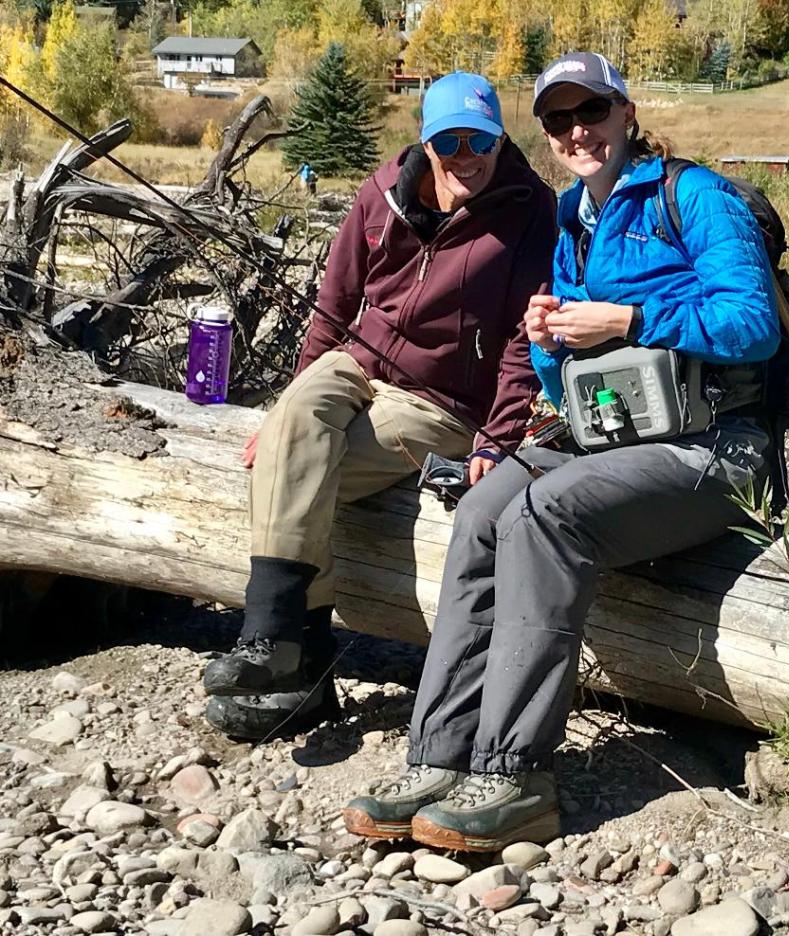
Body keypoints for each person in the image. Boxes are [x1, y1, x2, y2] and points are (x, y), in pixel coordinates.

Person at [343, 51, 781, 850]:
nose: (577, 131)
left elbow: (753, 325)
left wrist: (630, 321)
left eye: (592, 112)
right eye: (557, 119)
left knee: (544, 515)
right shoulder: (574, 216)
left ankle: (515, 774)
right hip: (610, 438)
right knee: (482, 511)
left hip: (717, 449)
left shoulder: (696, 198)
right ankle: (438, 756)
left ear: (627, 114)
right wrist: (548, 342)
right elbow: (569, 381)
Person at [203, 72, 557, 740]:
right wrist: (282, 417)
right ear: (426, 142)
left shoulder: (532, 210)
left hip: (441, 402)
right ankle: (272, 641)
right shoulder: (383, 191)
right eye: (449, 142)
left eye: (480, 141)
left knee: (303, 476)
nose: (466, 156)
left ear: (499, 139)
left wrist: (497, 437)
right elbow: (335, 303)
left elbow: (522, 341)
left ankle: (296, 664)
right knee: (296, 426)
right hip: (358, 364)